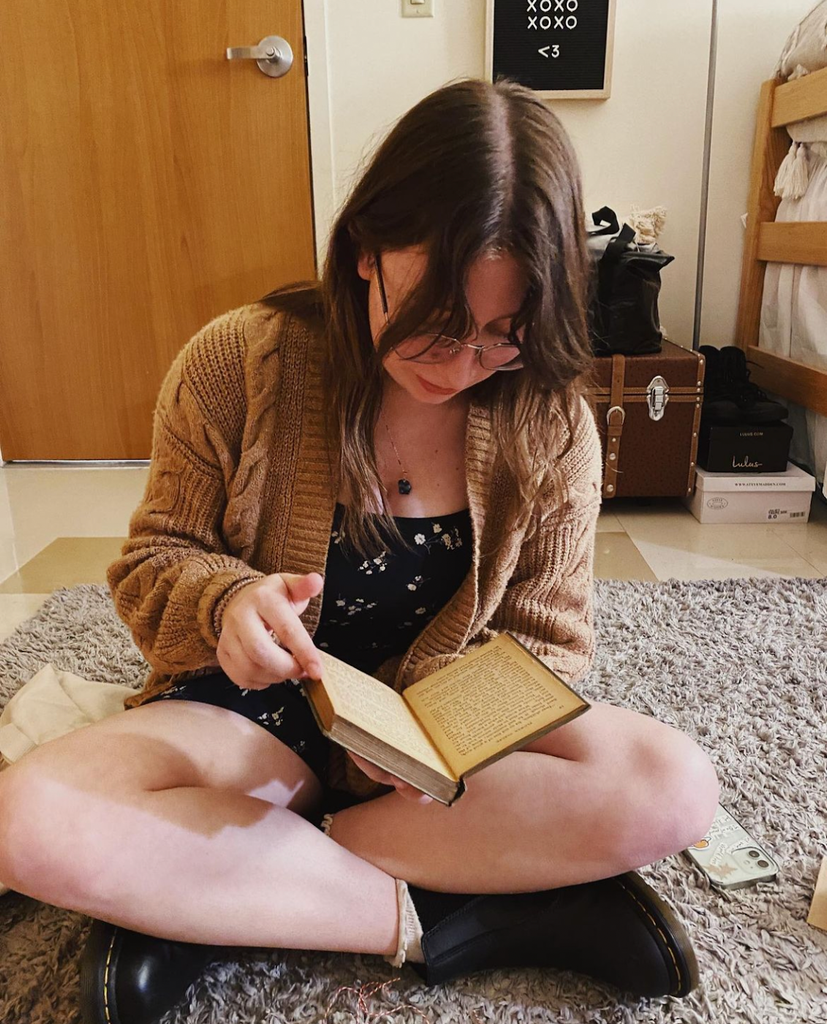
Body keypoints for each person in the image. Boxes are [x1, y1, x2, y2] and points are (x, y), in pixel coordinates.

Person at [0, 78, 718, 1024]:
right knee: (30, 818)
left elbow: (549, 642)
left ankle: (225, 884)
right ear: (365, 252)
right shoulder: (242, 362)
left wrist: (440, 732)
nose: (460, 366)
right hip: (249, 716)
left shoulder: (549, 422)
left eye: (502, 338)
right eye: (435, 322)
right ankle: (448, 912)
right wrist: (226, 606)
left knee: (673, 788)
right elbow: (152, 560)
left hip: (437, 767)